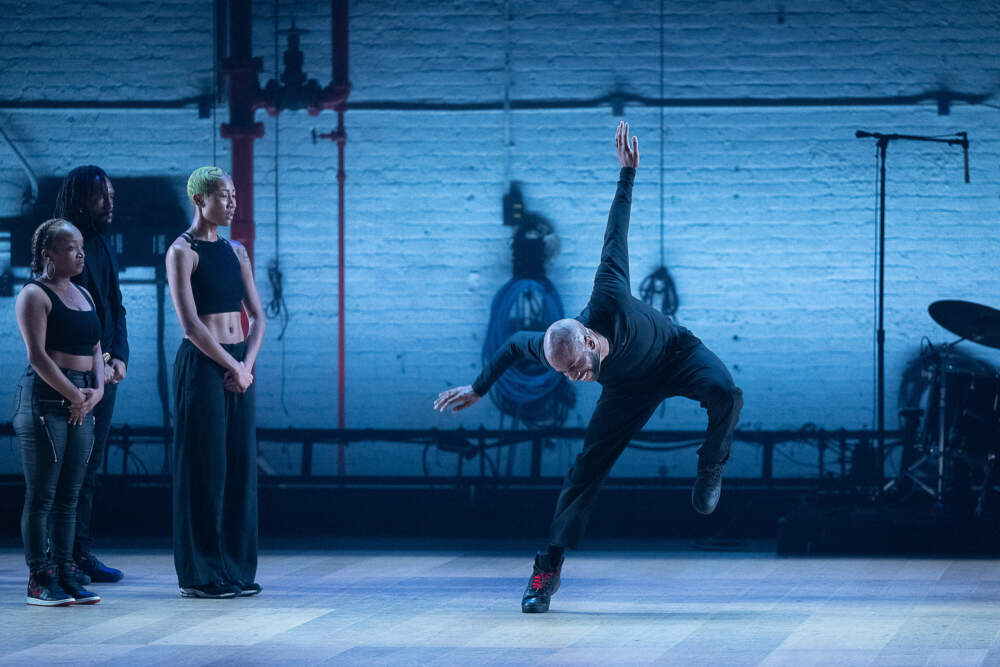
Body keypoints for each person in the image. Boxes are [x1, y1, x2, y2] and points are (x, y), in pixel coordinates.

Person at [434, 122, 743, 613]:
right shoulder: (557, 344)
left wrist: (627, 177)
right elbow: (515, 343)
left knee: (726, 391)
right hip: (628, 389)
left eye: (579, 368)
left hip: (677, 355)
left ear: (590, 341)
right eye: (568, 375)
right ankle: (546, 572)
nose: (576, 378)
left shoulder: (609, 292)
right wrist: (479, 387)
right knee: (584, 471)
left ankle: (711, 467)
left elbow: (615, 231)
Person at [165, 166, 265, 599]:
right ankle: (201, 574)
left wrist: (246, 365)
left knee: (240, 466)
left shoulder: (236, 251)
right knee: (205, 468)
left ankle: (236, 570)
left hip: (240, 365)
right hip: (205, 364)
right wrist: (230, 365)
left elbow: (259, 316)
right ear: (200, 200)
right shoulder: (182, 251)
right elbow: (190, 325)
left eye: (234, 196)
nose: (232, 204)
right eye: (223, 196)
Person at [13, 218, 105, 605]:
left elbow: (97, 348)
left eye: (81, 246)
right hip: (46, 400)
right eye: (71, 248)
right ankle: (40, 578)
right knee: (43, 496)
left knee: (70, 495)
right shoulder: (34, 294)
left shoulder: (83, 294)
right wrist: (73, 394)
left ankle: (66, 571)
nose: (81, 253)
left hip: (81, 399)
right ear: (47, 253)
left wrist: (96, 391)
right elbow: (37, 356)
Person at [53, 165, 129, 584]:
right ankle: (57, 558)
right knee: (66, 465)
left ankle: (79, 553)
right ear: (82, 198)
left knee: (91, 463)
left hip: (104, 372)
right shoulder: (61, 245)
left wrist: (120, 356)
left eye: (111, 195)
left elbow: (115, 306)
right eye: (103, 197)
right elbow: (58, 312)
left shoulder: (102, 244)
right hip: (73, 372)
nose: (110, 203)